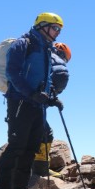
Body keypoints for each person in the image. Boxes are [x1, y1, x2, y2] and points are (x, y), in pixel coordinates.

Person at [0, 12, 64, 189]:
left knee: (31, 147)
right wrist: (31, 93)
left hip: (37, 105)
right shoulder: (23, 44)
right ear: (43, 26)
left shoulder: (47, 49)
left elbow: (46, 78)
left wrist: (51, 98)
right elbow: (12, 72)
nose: (57, 32)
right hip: (20, 102)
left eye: (59, 29)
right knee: (17, 145)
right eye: (55, 28)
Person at [32, 42, 72, 179]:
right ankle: (40, 170)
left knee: (31, 133)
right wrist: (53, 98)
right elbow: (57, 79)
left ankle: (33, 168)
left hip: (19, 101)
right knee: (45, 133)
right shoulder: (57, 64)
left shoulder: (39, 58)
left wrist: (51, 100)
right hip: (33, 105)